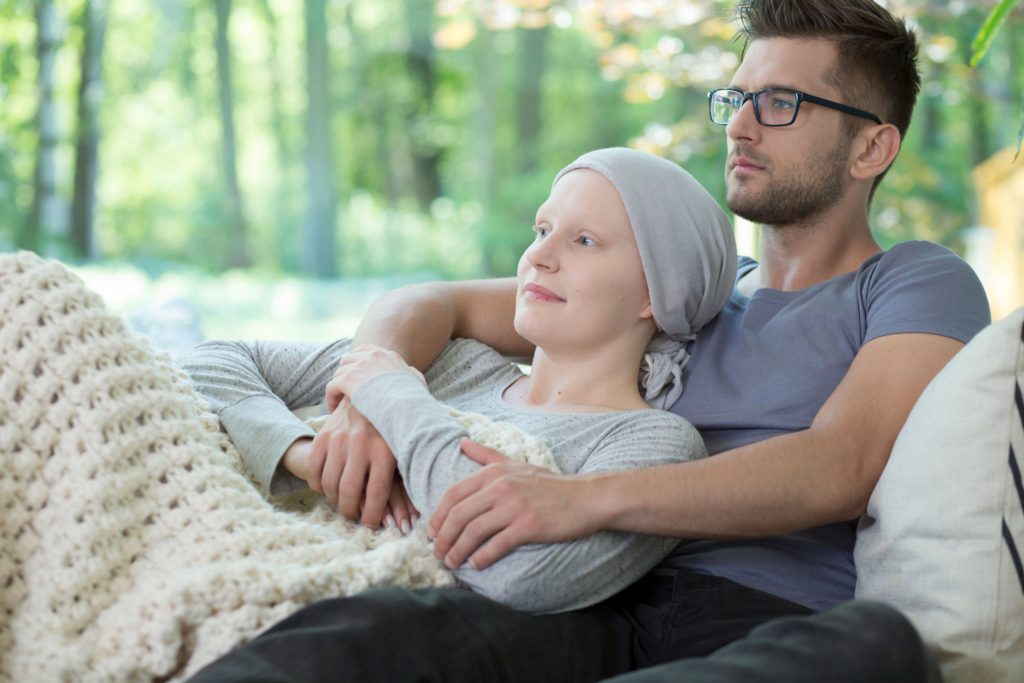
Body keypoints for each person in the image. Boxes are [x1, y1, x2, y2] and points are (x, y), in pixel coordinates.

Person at [189, 0, 991, 681]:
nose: (741, 126)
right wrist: (364, 400)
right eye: (735, 98)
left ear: (871, 147)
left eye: (781, 103)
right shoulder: (686, 294)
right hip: (592, 592)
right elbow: (432, 301)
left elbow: (842, 465)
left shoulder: (914, 280)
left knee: (877, 647)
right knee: (369, 634)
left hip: (758, 613)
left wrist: (581, 499)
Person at [183, 147, 736, 614]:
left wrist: (393, 398)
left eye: (584, 241)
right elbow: (210, 363)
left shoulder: (653, 443)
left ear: (656, 294)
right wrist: (308, 456)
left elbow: (529, 577)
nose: (538, 256)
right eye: (542, 230)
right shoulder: (455, 361)